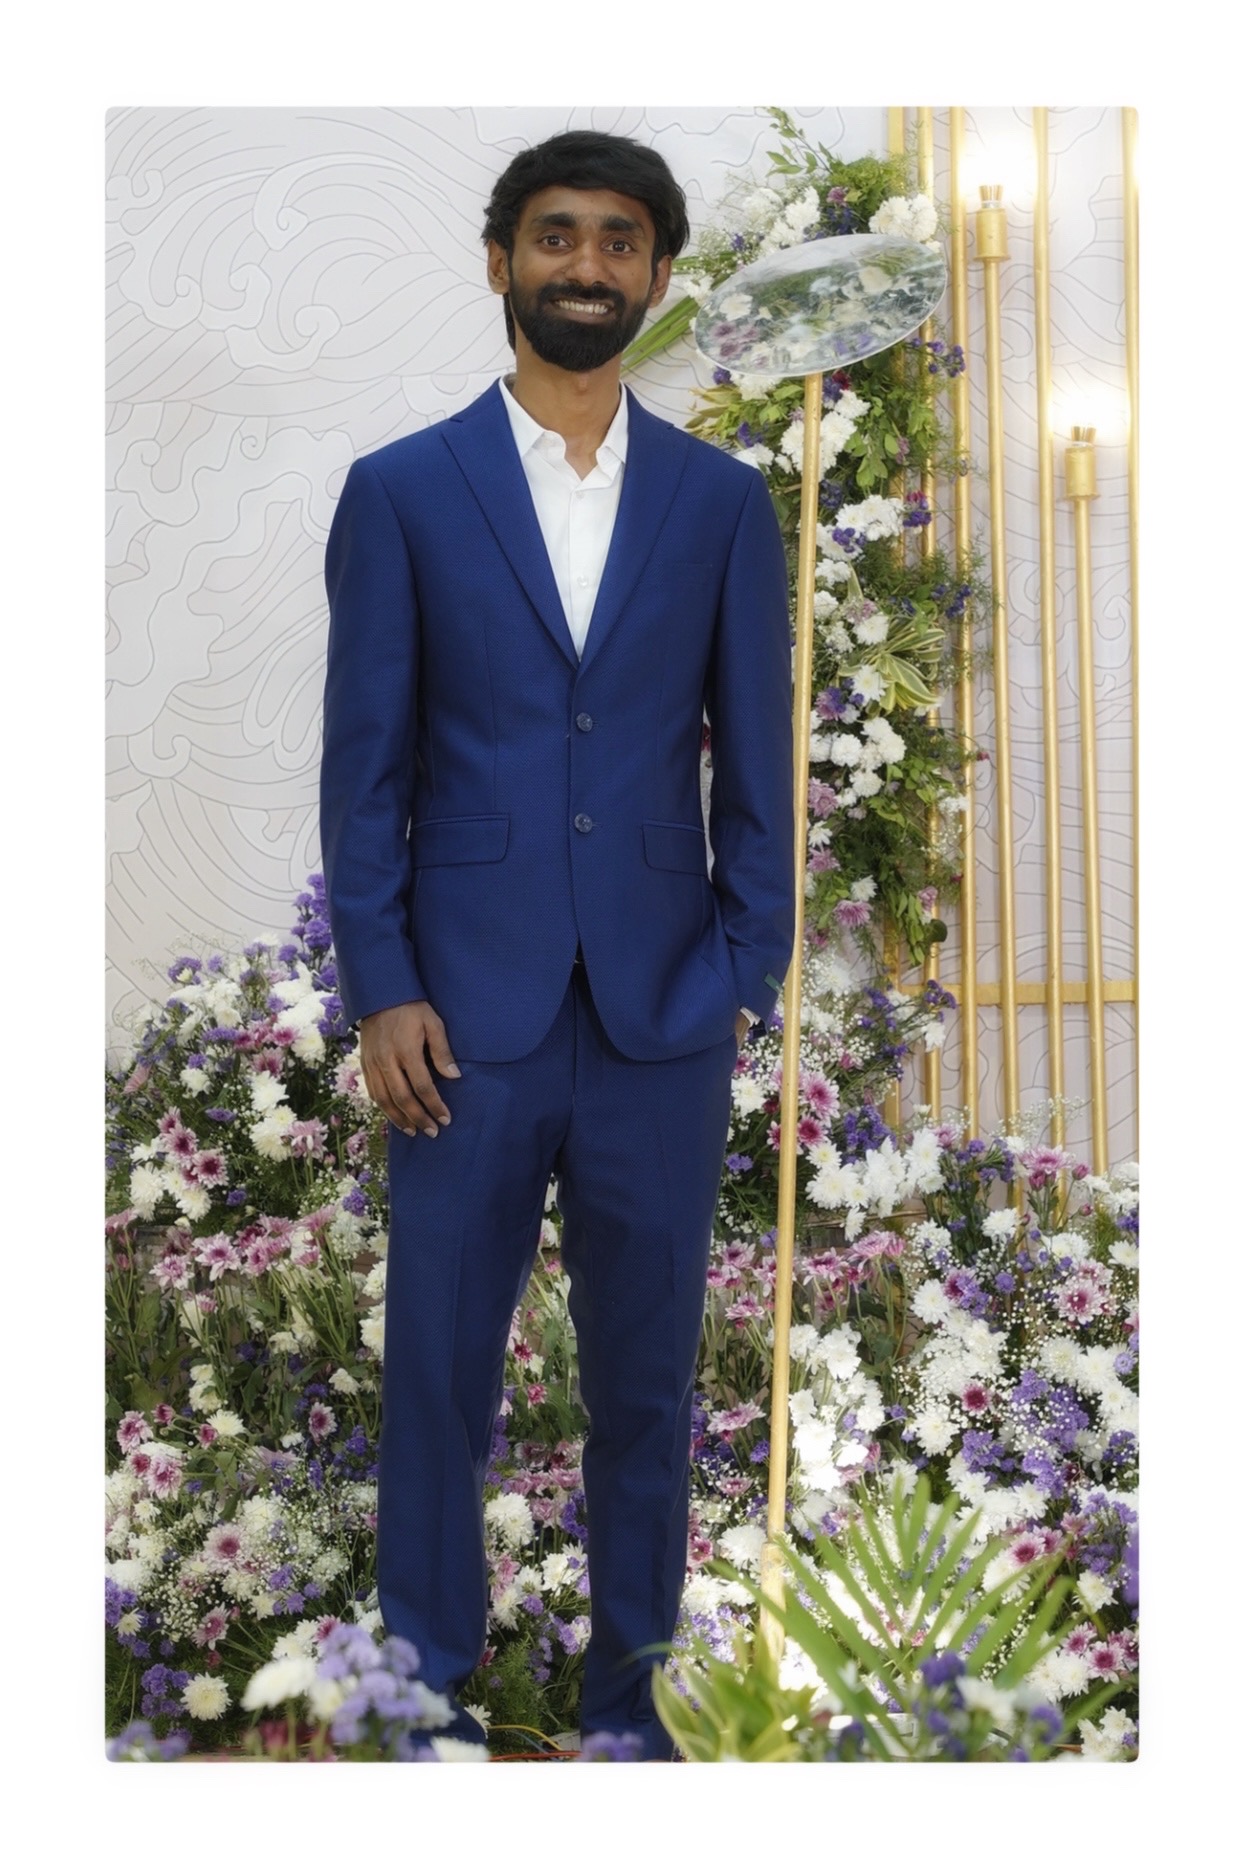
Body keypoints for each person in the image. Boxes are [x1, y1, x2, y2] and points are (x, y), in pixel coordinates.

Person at [319, 128, 795, 1760]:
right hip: (459, 1018)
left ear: (656, 274)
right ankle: (425, 1700)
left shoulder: (723, 504)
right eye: (556, 235)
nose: (586, 264)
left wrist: (743, 969)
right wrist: (383, 984)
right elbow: (364, 770)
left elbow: (758, 765)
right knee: (439, 1376)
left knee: (648, 1387)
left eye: (618, 241)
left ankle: (635, 1713)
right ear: (502, 261)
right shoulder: (402, 491)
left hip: (664, 1016)